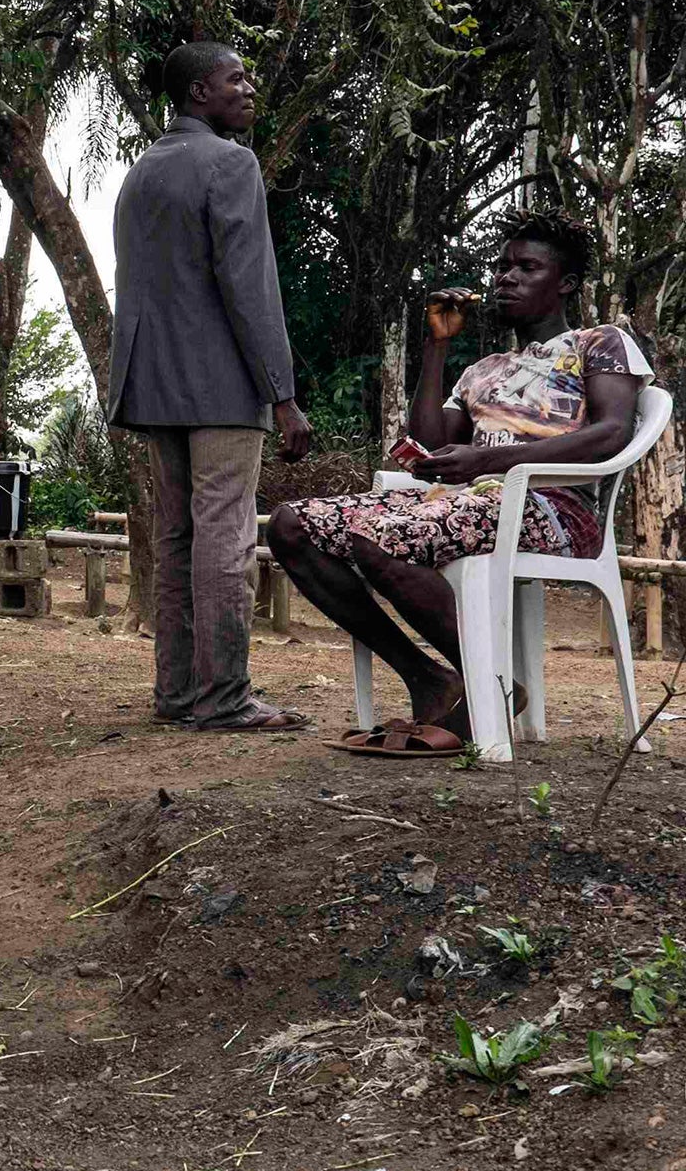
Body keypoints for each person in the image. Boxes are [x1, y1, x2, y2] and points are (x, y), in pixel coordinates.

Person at [270, 211, 649, 755]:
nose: (507, 278)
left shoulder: (600, 341)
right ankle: (430, 678)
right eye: (502, 267)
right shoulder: (485, 368)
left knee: (379, 537)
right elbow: (426, 442)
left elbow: (612, 432)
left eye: (526, 268)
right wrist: (438, 346)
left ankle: (487, 684)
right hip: (460, 501)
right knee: (292, 526)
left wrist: (489, 463)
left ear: (564, 283)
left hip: (553, 506)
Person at [106, 41, 315, 733]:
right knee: (224, 538)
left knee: (176, 539)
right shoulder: (230, 162)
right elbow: (249, 289)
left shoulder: (142, 172)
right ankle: (224, 698)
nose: (249, 88)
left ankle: (176, 693)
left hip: (151, 387)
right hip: (222, 388)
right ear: (199, 93)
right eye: (236, 79)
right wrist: (281, 394)